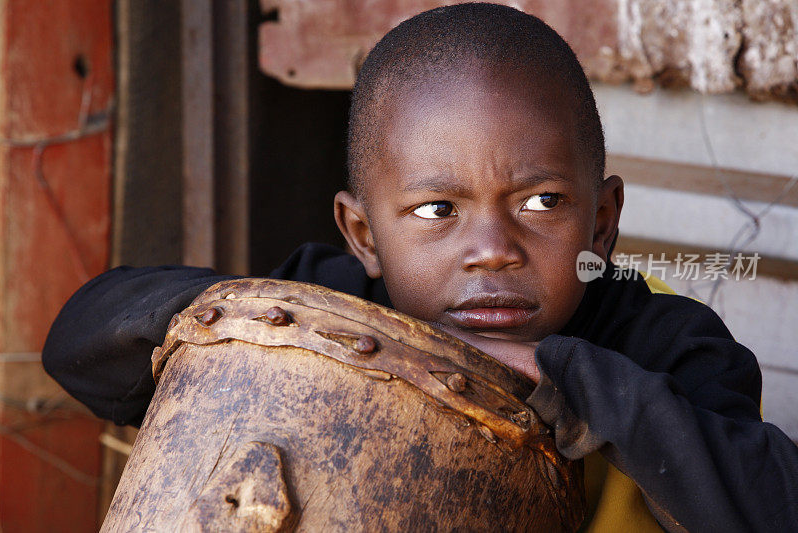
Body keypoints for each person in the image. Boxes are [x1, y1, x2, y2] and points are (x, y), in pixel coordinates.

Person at [42, 3, 798, 531]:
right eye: (437, 211)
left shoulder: (667, 343)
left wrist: (567, 381)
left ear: (601, 224)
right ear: (364, 233)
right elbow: (80, 349)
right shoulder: (337, 307)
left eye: (540, 201)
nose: (492, 247)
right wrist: (248, 319)